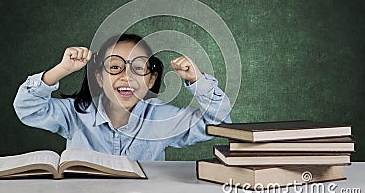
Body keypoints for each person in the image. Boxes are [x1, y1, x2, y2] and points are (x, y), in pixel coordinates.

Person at [13, 34, 231, 160]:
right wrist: (62, 69)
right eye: (115, 67)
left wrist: (197, 80)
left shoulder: (161, 118)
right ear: (99, 78)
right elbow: (27, 108)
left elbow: (217, 122)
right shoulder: (75, 114)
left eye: (138, 68)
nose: (126, 76)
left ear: (152, 79)